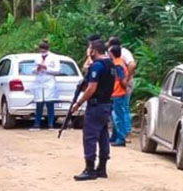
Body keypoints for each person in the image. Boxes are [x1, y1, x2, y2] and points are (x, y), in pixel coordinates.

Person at [70, 40, 114, 181]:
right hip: (106, 104)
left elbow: (91, 88)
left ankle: (90, 169)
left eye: (89, 48)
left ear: (94, 51)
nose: (88, 51)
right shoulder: (110, 64)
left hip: (96, 105)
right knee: (103, 136)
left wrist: (78, 103)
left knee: (90, 137)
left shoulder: (97, 66)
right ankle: (102, 168)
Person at [31, 40, 61, 131]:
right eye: (41, 51)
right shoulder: (37, 58)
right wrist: (37, 69)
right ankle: (37, 125)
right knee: (39, 104)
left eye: (44, 51)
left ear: (47, 49)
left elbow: (57, 70)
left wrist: (46, 68)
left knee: (50, 104)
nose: (42, 52)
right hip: (39, 82)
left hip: (49, 82)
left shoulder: (54, 58)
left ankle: (51, 125)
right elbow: (32, 70)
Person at [108, 46, 130, 146]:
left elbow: (121, 79)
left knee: (117, 117)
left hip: (117, 93)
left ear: (112, 54)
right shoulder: (120, 62)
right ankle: (115, 136)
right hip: (116, 93)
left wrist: (124, 87)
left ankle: (120, 138)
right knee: (114, 116)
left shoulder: (117, 65)